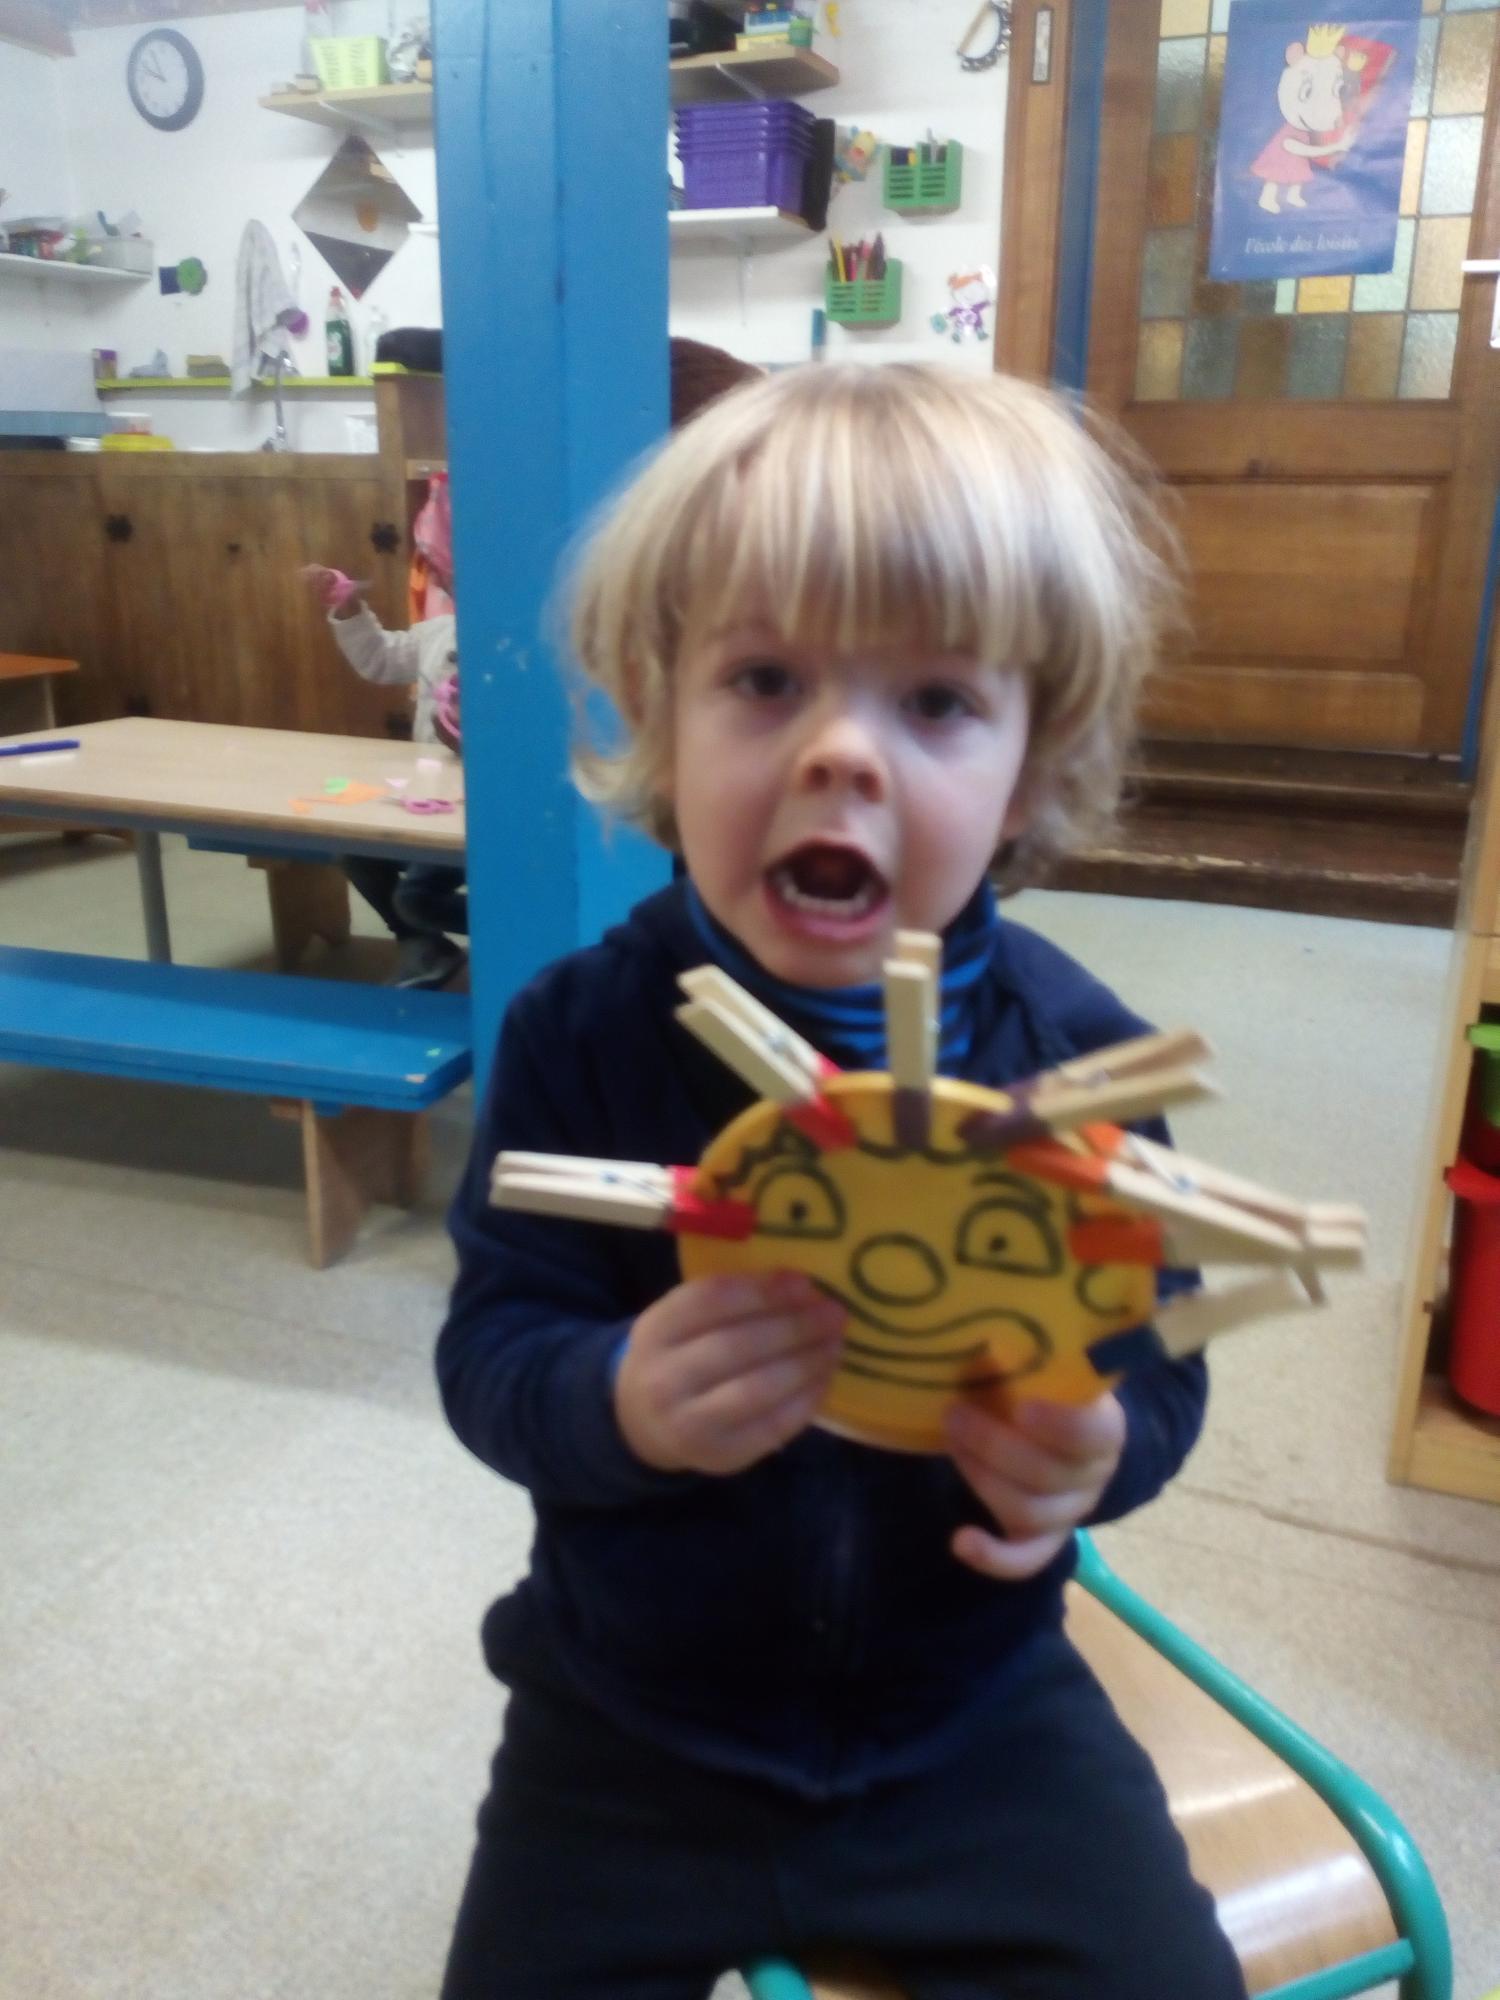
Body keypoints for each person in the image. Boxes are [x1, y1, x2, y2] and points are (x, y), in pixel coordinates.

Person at [436, 362, 1246, 2000]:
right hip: (632, 1727)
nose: (840, 755)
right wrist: (617, 1400)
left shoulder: (1080, 1073)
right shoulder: (580, 1035)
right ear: (658, 712)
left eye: (935, 701)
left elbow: (1157, 1365)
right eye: (763, 678)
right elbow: (492, 1353)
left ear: (1032, 763)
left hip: (973, 1730)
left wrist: (1096, 1453)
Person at [299, 558, 468, 991]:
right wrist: (350, 608)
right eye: (439, 570)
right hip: (430, 798)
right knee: (354, 845)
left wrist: (469, 746)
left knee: (416, 897)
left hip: (478, 813)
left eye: (445, 568)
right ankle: (421, 944)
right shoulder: (440, 632)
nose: (439, 577)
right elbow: (379, 658)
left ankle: (518, 932)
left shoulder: (520, 645)